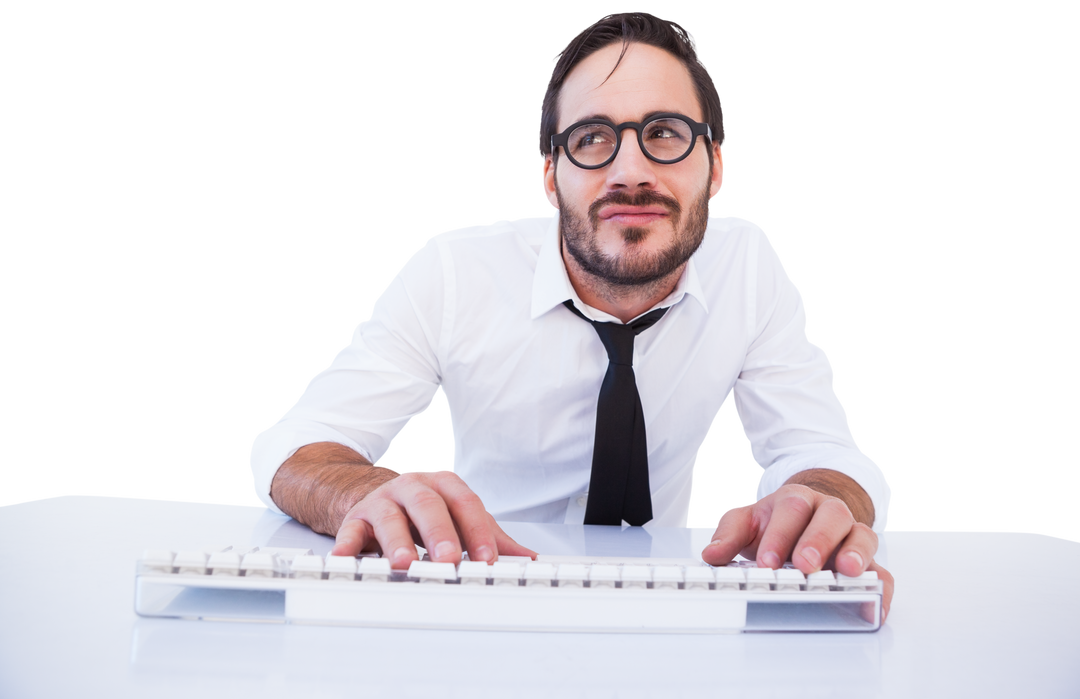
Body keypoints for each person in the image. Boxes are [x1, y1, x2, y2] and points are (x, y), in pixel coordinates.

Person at [249, 9, 894, 619]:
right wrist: (362, 493)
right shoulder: (453, 271)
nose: (631, 170)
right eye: (593, 139)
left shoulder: (748, 266)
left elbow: (821, 449)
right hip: (476, 592)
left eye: (665, 133)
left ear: (717, 165)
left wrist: (821, 506)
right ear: (551, 177)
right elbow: (292, 448)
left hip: (664, 605)